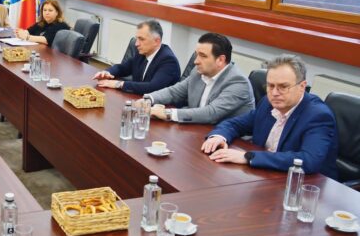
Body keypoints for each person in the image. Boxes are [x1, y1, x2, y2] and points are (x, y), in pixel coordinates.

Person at [201, 54, 338, 178]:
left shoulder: (318, 115)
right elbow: (235, 124)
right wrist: (219, 137)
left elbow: (308, 160)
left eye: (283, 87)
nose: (275, 93)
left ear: (302, 86)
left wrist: (248, 157)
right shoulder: (268, 103)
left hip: (306, 186)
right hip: (265, 175)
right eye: (270, 86)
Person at [147, 33, 254, 124]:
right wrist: (147, 100)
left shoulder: (238, 82)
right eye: (197, 55)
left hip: (225, 138)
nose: (196, 61)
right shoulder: (198, 72)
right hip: (197, 129)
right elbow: (174, 92)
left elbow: (211, 113)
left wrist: (167, 113)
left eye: (203, 56)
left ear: (220, 60)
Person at [93, 20, 180, 94]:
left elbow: (152, 87)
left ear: (157, 41)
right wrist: (107, 72)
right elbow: (122, 68)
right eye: (137, 38)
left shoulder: (168, 61)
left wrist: (118, 84)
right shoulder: (142, 53)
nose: (136, 44)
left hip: (161, 106)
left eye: (141, 39)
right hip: (138, 99)